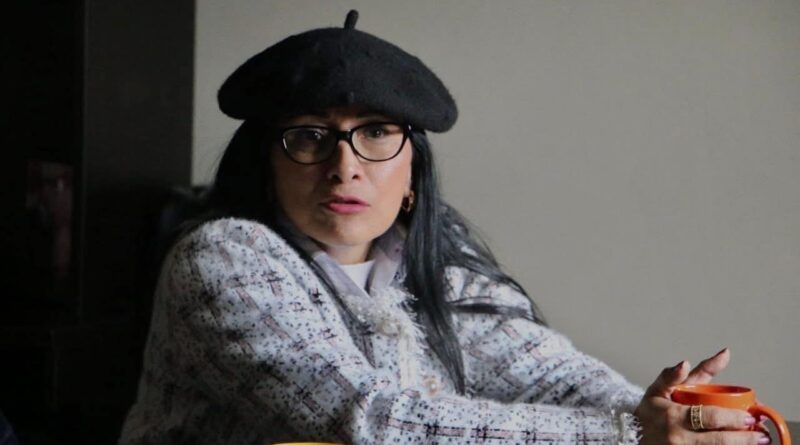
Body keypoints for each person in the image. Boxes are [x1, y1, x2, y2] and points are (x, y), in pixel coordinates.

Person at [119, 10, 771, 445]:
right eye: (310, 136)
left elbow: (549, 376)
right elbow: (365, 419)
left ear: (413, 172)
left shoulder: (431, 264)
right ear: (265, 160)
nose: (345, 166)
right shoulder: (222, 259)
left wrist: (668, 414)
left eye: (377, 132)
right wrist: (628, 435)